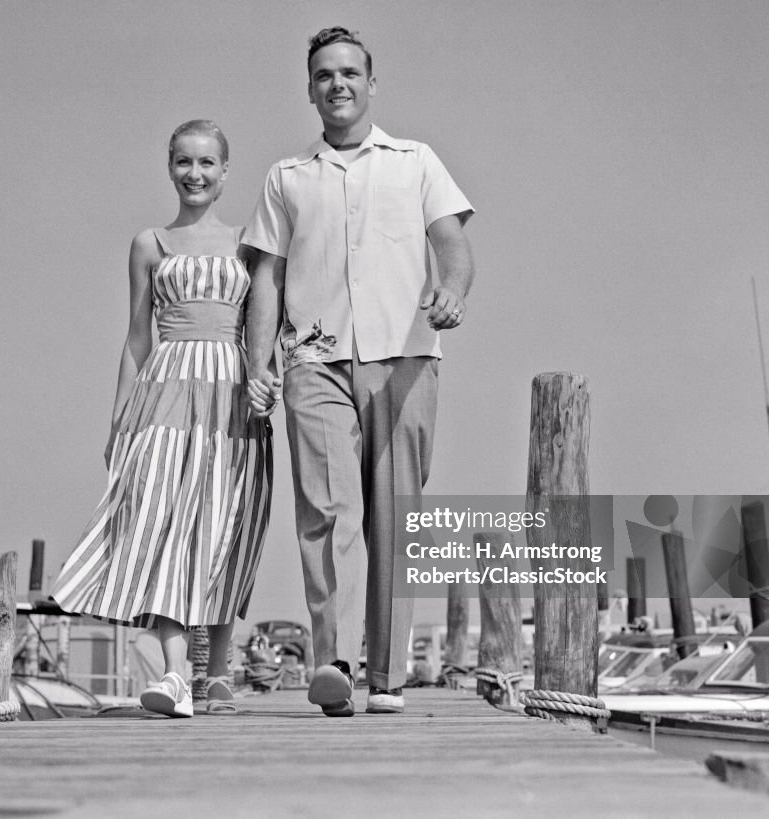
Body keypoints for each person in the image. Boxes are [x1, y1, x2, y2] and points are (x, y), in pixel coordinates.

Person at [243, 27, 475, 716]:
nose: (337, 83)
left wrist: (453, 291)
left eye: (349, 72)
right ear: (309, 89)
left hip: (404, 359)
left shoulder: (417, 162)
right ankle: (336, 661)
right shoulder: (286, 178)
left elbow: (453, 246)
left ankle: (388, 674)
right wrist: (259, 364)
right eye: (323, 75)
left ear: (372, 83)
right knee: (328, 507)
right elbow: (266, 279)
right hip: (313, 360)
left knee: (394, 516)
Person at [52, 120, 278, 718]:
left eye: (207, 163)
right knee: (163, 524)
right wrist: (118, 420)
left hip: (232, 397)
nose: (195, 174)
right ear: (169, 167)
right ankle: (179, 674)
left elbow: (265, 325)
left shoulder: (251, 241)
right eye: (184, 162)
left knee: (226, 525)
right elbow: (135, 339)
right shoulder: (149, 243)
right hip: (164, 398)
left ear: (226, 171)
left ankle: (219, 672)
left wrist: (265, 381)